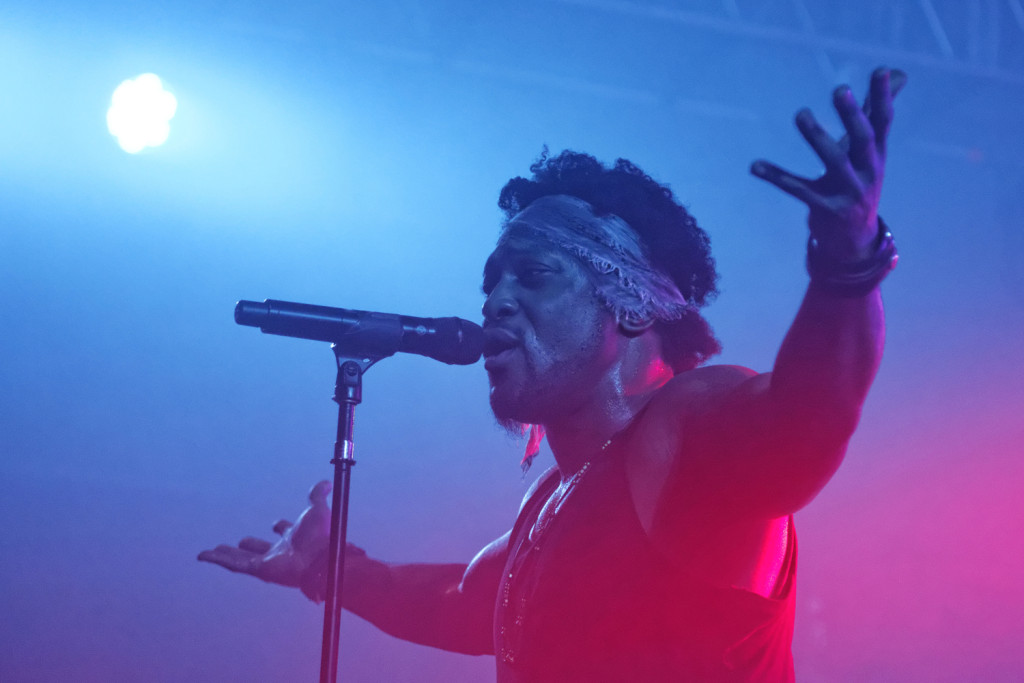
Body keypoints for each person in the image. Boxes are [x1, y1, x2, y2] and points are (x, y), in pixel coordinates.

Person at [199, 67, 904, 681]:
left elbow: (805, 422)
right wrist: (329, 568)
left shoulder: (685, 424)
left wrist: (847, 264)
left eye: (532, 274)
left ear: (628, 303)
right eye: (491, 282)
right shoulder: (554, 500)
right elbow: (464, 604)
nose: (496, 300)